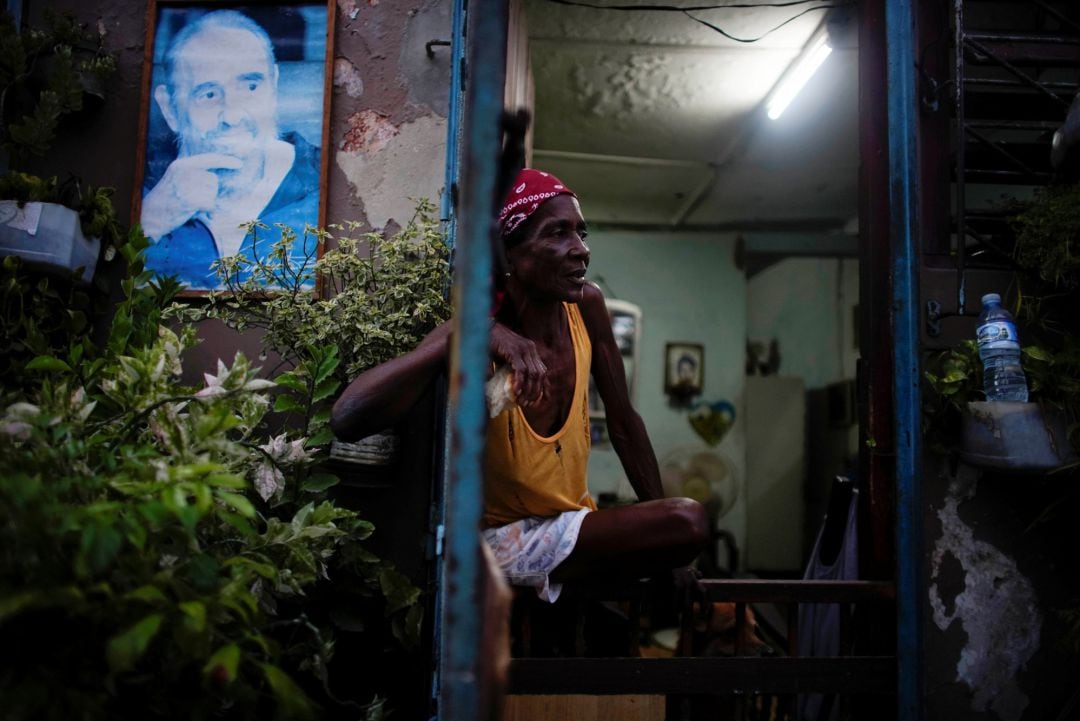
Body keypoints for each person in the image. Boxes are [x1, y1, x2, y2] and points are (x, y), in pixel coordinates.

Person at [331, 169, 708, 602]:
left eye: (581, 233)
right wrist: (472, 333)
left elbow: (622, 422)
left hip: (568, 524)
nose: (581, 250)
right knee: (687, 521)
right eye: (558, 233)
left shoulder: (587, 306)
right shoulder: (473, 330)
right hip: (495, 542)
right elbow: (347, 418)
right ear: (509, 254)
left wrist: (670, 557)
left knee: (677, 531)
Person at [141, 10, 320, 288]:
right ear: (170, 108)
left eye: (250, 86)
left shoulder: (321, 185)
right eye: (209, 94)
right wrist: (151, 220)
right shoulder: (142, 196)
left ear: (274, 86)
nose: (233, 116)